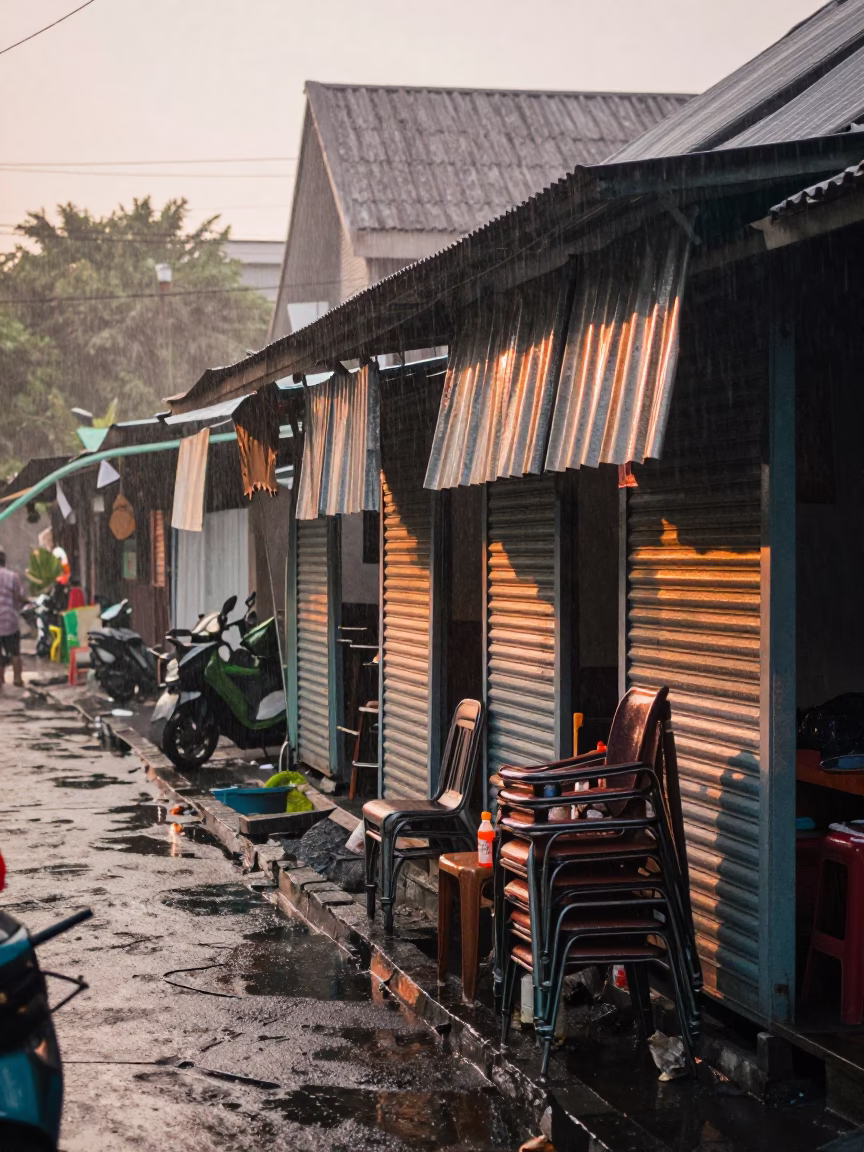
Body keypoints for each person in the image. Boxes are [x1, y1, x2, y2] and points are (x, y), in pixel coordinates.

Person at [0, 548, 25, 689]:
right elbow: (19, 596)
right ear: (4, 561)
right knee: (15, 652)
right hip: (10, 621)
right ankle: (17, 680)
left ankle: (1, 681)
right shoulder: (12, 576)